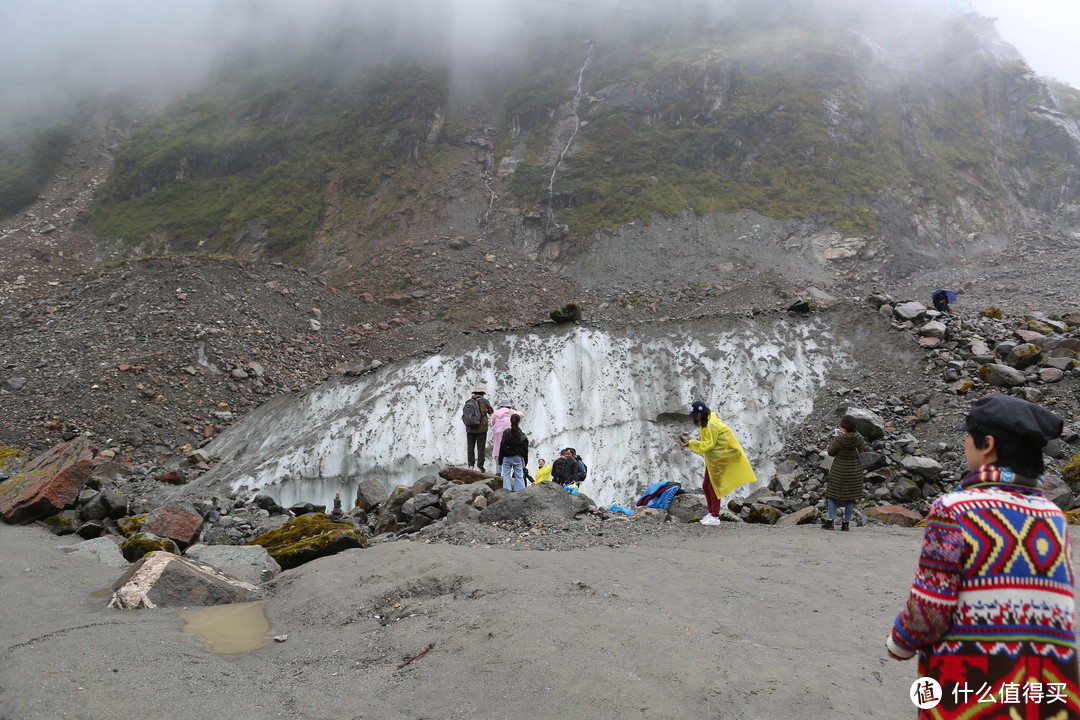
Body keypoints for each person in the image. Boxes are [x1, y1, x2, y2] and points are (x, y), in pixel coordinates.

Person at [887, 394, 1079, 718]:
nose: (965, 442)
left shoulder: (955, 510)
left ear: (987, 443)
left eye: (968, 435)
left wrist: (900, 642)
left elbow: (931, 610)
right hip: (1046, 697)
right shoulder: (1054, 517)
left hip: (972, 693)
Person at [683, 400, 757, 525]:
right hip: (714, 458)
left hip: (722, 458)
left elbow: (709, 444)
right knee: (706, 485)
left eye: (696, 414)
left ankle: (715, 516)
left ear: (701, 412)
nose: (695, 416)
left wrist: (691, 443)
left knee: (714, 487)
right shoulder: (706, 422)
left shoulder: (711, 424)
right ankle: (711, 512)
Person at [823, 414, 865, 531]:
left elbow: (830, 452)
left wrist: (838, 438)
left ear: (844, 427)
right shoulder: (859, 438)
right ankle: (846, 523)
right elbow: (863, 449)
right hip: (855, 472)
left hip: (839, 472)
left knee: (832, 496)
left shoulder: (840, 439)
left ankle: (830, 521)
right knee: (850, 498)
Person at [463, 386, 494, 473]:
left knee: (470, 446)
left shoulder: (468, 401)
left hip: (470, 427)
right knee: (481, 447)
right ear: (482, 394)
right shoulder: (484, 401)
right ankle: (480, 466)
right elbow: (491, 411)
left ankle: (470, 465)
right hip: (481, 428)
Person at [490, 399, 524, 476]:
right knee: (508, 451)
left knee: (498, 450)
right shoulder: (511, 412)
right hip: (508, 435)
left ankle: (498, 472)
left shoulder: (496, 412)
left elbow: (493, 422)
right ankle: (514, 472)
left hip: (498, 436)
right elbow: (521, 415)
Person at [498, 413, 529, 492]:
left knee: (506, 475)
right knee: (519, 475)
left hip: (507, 457)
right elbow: (525, 449)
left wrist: (500, 459)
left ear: (510, 421)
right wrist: (525, 460)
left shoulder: (506, 432)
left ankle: (506, 491)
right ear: (519, 422)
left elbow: (502, 445)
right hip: (517, 457)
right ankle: (519, 491)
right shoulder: (522, 435)